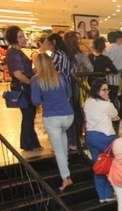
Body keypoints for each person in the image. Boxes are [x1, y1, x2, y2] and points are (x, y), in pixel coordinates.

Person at [30, 53, 73, 191]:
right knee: (63, 140)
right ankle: (66, 170)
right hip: (68, 115)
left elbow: (35, 101)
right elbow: (69, 94)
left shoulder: (36, 80)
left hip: (51, 117)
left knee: (58, 150)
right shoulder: (61, 75)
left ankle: (66, 178)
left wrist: (46, 102)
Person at [5, 26, 42, 151]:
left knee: (29, 115)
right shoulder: (13, 53)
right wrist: (31, 82)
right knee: (28, 115)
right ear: (13, 39)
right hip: (23, 88)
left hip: (25, 86)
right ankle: (27, 143)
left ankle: (32, 143)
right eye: (20, 37)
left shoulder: (18, 52)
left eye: (23, 36)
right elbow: (18, 74)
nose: (23, 39)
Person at [84, 79, 119, 202]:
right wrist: (108, 101)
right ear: (97, 91)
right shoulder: (107, 104)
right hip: (106, 137)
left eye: (107, 89)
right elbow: (115, 114)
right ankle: (109, 193)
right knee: (111, 165)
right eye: (103, 90)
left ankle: (102, 196)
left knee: (98, 166)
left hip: (91, 137)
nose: (107, 92)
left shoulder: (88, 102)